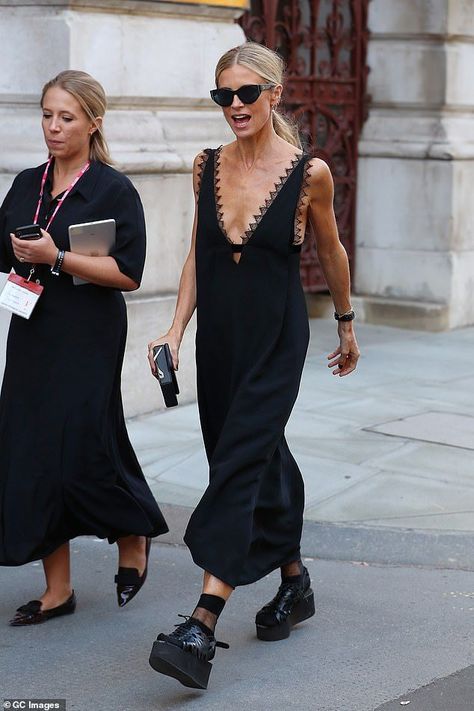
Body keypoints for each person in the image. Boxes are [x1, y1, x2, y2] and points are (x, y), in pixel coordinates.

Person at [147, 42, 360, 689]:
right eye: (223, 96)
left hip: (275, 337)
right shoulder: (204, 166)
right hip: (221, 339)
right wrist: (175, 329)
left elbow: (332, 250)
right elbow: (195, 256)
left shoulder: (309, 173)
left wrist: (347, 324)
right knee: (250, 455)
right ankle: (294, 582)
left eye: (245, 94)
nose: (234, 106)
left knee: (240, 460)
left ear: (273, 94)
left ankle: (201, 625)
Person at [0, 70, 168, 625]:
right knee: (32, 448)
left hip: (88, 332)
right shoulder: (27, 181)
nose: (53, 127)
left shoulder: (112, 189)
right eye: (46, 114)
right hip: (32, 328)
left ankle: (131, 529)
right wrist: (17, 260)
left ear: (93, 123)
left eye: (66, 117)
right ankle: (58, 590)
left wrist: (56, 258)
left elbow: (128, 273)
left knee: (83, 442)